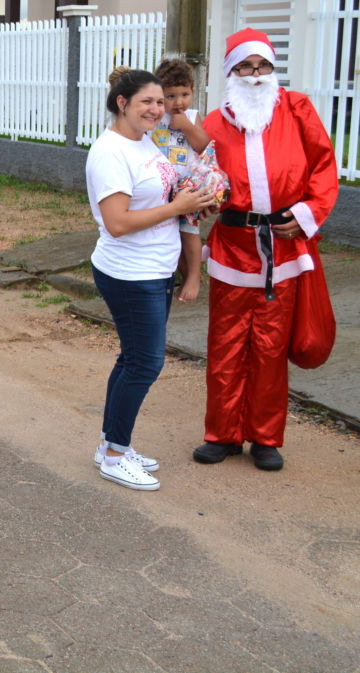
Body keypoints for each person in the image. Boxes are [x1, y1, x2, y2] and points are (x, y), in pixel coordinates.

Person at [193, 28, 339, 471]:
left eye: (263, 67)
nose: (255, 76)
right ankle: (221, 433)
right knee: (225, 344)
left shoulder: (297, 110)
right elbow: (196, 175)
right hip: (233, 248)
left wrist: (310, 213)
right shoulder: (214, 124)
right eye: (245, 67)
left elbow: (323, 165)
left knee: (271, 347)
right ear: (230, 72)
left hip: (285, 246)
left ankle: (265, 437)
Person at [86, 67, 217, 491]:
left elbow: (164, 194)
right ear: (122, 103)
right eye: (147, 101)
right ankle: (115, 456)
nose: (158, 109)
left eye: (161, 102)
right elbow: (118, 222)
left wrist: (196, 200)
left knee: (131, 360)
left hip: (155, 269)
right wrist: (178, 207)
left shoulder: (144, 142)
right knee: (145, 363)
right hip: (130, 273)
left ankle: (111, 443)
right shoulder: (110, 152)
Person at [150, 58, 210, 303]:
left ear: (192, 92)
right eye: (171, 96)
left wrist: (187, 126)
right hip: (162, 186)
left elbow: (203, 145)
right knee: (168, 232)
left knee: (189, 232)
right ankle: (182, 274)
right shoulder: (154, 117)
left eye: (184, 94)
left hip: (187, 186)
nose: (178, 102)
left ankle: (194, 275)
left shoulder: (192, 116)